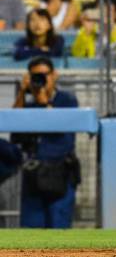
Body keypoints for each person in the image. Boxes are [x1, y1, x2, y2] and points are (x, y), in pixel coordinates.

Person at [12, 56, 80, 228]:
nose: (41, 80)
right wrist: (22, 92)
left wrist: (45, 103)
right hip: (33, 173)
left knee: (59, 228)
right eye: (35, 76)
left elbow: (59, 128)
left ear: (54, 75)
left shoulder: (67, 100)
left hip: (60, 173)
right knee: (31, 232)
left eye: (44, 75)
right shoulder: (27, 104)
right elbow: (16, 131)